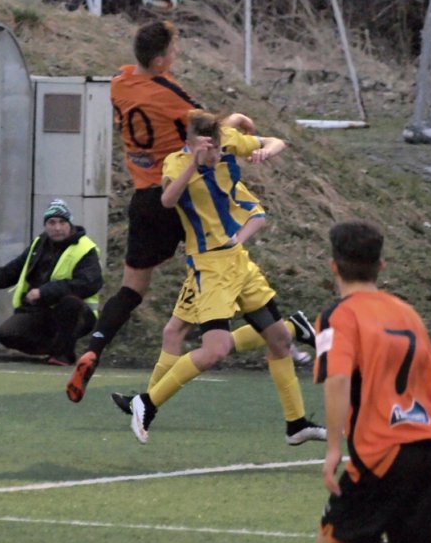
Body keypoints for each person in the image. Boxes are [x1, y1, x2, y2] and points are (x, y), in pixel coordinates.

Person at [66, 19, 314, 402]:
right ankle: (288, 334)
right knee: (230, 260)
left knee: (134, 292)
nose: (177, 54)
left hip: (145, 201)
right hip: (188, 191)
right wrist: (235, 121)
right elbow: (207, 132)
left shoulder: (118, 83)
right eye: (174, 50)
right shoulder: (169, 93)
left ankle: (96, 350)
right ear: (161, 60)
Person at [126, 110, 325, 446]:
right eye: (211, 150)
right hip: (209, 267)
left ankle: (296, 424)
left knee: (279, 340)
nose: (218, 155)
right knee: (214, 350)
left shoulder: (228, 140)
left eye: (220, 148)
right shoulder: (177, 163)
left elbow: (277, 141)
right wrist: (195, 164)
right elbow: (167, 200)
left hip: (238, 262)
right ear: (193, 145)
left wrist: (265, 151)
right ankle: (146, 402)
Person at [315, 221, 431, 543]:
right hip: (430, 446)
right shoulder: (409, 314)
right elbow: (429, 379)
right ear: (380, 265)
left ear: (333, 266)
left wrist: (333, 448)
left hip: (382, 448)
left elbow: (337, 378)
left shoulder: (339, 315)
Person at [0, 199, 102, 366]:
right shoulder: (40, 243)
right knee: (6, 334)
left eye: (62, 222)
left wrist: (44, 292)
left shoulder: (85, 248)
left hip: (78, 314)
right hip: (39, 310)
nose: (57, 228)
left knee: (70, 304)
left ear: (70, 224)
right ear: (45, 225)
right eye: (52, 222)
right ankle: (54, 348)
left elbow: (89, 283)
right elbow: (19, 266)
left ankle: (64, 354)